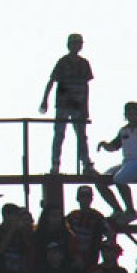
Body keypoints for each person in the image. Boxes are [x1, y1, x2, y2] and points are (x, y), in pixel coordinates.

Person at [95, 102, 137, 225]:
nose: (131, 115)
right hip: (127, 164)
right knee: (100, 181)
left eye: (133, 112)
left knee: (120, 179)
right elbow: (114, 146)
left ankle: (130, 211)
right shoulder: (124, 130)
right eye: (128, 113)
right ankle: (117, 210)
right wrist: (104, 145)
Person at [39, 33, 97, 175]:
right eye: (75, 43)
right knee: (59, 135)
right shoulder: (63, 62)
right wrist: (44, 100)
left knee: (82, 136)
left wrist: (86, 108)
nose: (77, 46)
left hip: (78, 104)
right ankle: (55, 164)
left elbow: (86, 86)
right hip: (63, 104)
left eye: (79, 43)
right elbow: (52, 81)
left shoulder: (84, 64)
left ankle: (86, 164)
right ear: (69, 45)